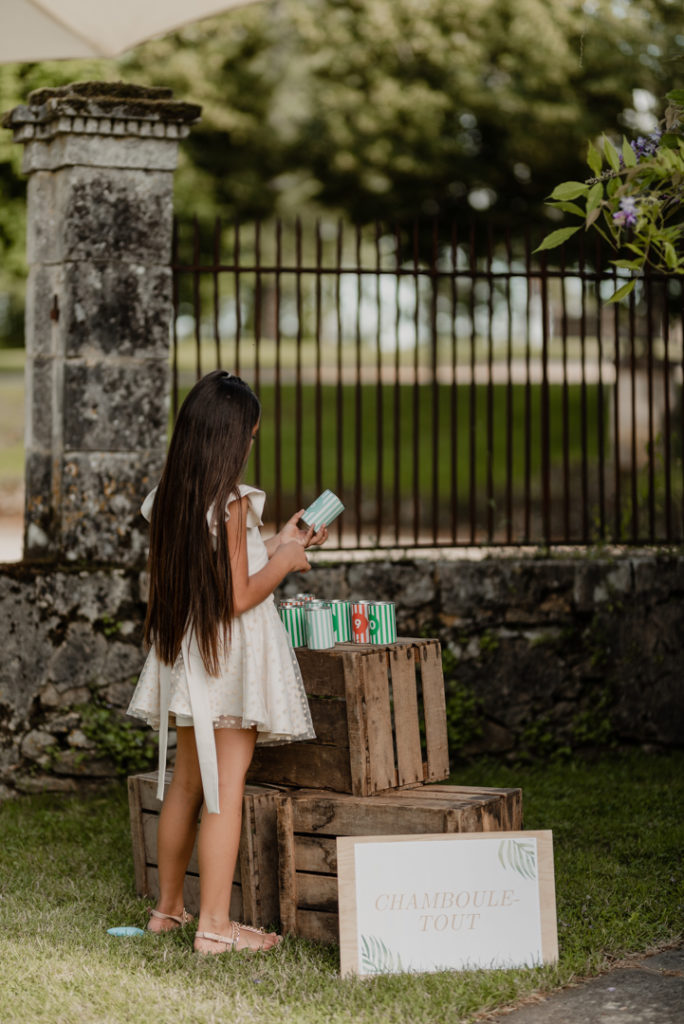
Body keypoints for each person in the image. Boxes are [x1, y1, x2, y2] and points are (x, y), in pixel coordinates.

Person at [127, 370, 328, 954]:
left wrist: (275, 541)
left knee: (187, 781)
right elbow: (238, 596)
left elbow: (217, 570)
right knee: (224, 789)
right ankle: (215, 926)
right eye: (251, 436)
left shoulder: (172, 497)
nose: (251, 446)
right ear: (229, 437)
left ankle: (168, 910)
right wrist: (287, 560)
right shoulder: (234, 504)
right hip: (227, 660)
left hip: (188, 655)